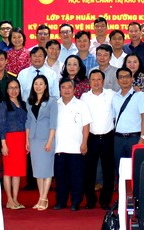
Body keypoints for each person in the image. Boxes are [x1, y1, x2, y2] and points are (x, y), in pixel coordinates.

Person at [54, 77, 92, 211]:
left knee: (77, 177)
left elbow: (86, 125)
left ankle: (76, 202)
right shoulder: (55, 105)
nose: (66, 90)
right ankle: (61, 201)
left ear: (75, 89)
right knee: (60, 177)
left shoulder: (81, 105)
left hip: (76, 148)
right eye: (63, 87)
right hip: (59, 147)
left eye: (69, 87)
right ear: (59, 90)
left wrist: (84, 143)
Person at [80, 69, 115, 209]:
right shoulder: (84, 97)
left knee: (108, 170)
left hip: (108, 136)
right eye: (93, 79)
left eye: (99, 79)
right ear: (89, 82)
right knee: (89, 170)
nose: (96, 82)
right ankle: (90, 200)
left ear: (103, 81)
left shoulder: (111, 94)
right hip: (91, 137)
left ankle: (105, 200)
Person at [26, 75, 57, 211]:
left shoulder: (51, 101)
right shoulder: (29, 102)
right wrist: (27, 140)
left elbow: (53, 123)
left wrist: (50, 141)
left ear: (45, 86)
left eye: (41, 84)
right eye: (36, 84)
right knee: (38, 170)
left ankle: (44, 198)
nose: (38, 86)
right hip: (34, 139)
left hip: (46, 139)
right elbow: (28, 122)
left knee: (47, 169)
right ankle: (41, 197)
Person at [0, 77, 28, 210]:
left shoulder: (23, 104)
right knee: (8, 171)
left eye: (16, 88)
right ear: (6, 90)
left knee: (17, 171)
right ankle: (9, 200)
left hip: (21, 139)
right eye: (11, 88)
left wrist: (27, 141)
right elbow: (2, 125)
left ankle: (15, 199)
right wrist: (3, 144)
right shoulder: (3, 105)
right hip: (9, 140)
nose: (13, 90)